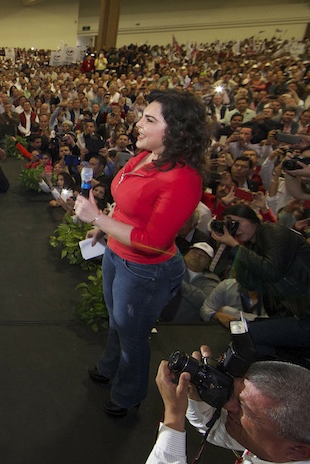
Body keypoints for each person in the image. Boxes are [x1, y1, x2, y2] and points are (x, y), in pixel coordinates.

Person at [74, 90, 209, 417]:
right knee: (117, 323)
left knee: (133, 338)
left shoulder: (183, 179)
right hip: (117, 256)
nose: (138, 124)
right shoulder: (144, 156)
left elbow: (152, 241)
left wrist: (97, 219)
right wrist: (103, 226)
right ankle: (109, 367)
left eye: (149, 120)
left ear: (176, 130)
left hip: (146, 271)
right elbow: (126, 202)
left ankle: (127, 395)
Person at [146, 345, 310, 464]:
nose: (228, 406)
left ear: (299, 451)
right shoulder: (277, 442)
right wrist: (195, 394)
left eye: (242, 407)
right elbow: (216, 431)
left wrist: (173, 419)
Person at [210, 204, 310, 357]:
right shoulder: (252, 246)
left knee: (248, 335)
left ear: (253, 220)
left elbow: (271, 271)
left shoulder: (273, 231)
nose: (235, 228)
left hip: (305, 316)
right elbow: (250, 283)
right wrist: (231, 248)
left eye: (237, 222)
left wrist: (236, 246)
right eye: (230, 225)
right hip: (296, 314)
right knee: (243, 332)